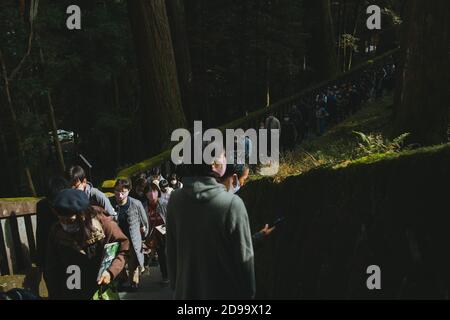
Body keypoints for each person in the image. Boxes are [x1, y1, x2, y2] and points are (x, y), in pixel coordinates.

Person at [166, 141, 255, 299]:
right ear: (214, 164)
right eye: (223, 156)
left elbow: (171, 251)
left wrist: (177, 287)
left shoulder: (175, 200)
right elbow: (244, 261)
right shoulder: (232, 204)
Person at [44, 189, 129, 300]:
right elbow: (52, 268)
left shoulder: (105, 226)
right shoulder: (57, 232)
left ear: (83, 214)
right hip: (72, 288)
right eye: (61, 220)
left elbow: (123, 249)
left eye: (70, 220)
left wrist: (111, 272)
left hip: (99, 288)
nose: (65, 225)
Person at [111, 179, 149, 291]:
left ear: (129, 191)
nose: (120, 194)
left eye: (123, 191)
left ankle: (134, 281)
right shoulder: (111, 203)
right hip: (117, 239)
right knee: (118, 261)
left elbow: (144, 221)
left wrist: (144, 234)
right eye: (117, 191)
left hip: (133, 239)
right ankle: (122, 278)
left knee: (133, 263)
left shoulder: (136, 203)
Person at [36, 176, 69, 274]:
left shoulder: (71, 204)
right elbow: (41, 233)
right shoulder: (42, 206)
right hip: (50, 253)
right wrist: (40, 262)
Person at [143, 180, 169, 284]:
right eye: (149, 192)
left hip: (166, 233)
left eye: (154, 191)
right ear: (145, 194)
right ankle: (165, 276)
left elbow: (170, 218)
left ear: (158, 192)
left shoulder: (164, 203)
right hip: (154, 236)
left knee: (171, 255)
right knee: (162, 256)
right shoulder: (144, 206)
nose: (152, 194)